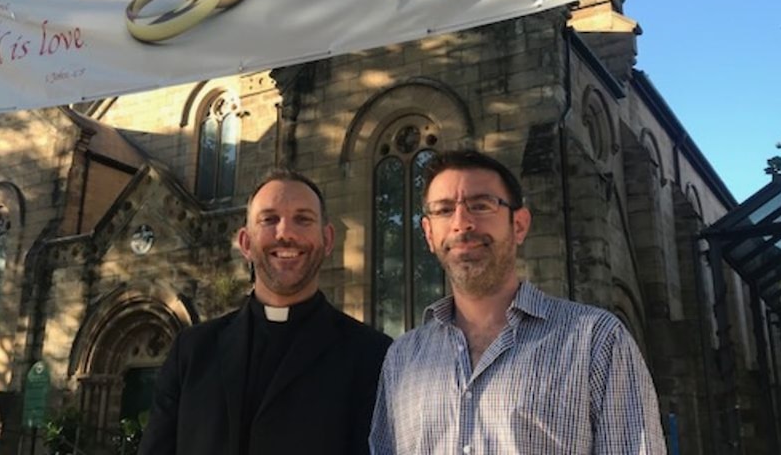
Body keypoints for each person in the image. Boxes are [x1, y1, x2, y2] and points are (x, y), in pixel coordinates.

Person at [369, 149, 667, 454]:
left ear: (519, 225)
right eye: (444, 210)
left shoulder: (597, 341)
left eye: (481, 205)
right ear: (429, 234)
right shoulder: (402, 359)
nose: (461, 223)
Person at [139, 169, 391, 455]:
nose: (285, 233)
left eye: (303, 219)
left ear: (328, 239)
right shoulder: (192, 351)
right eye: (269, 219)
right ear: (246, 243)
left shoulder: (372, 355)